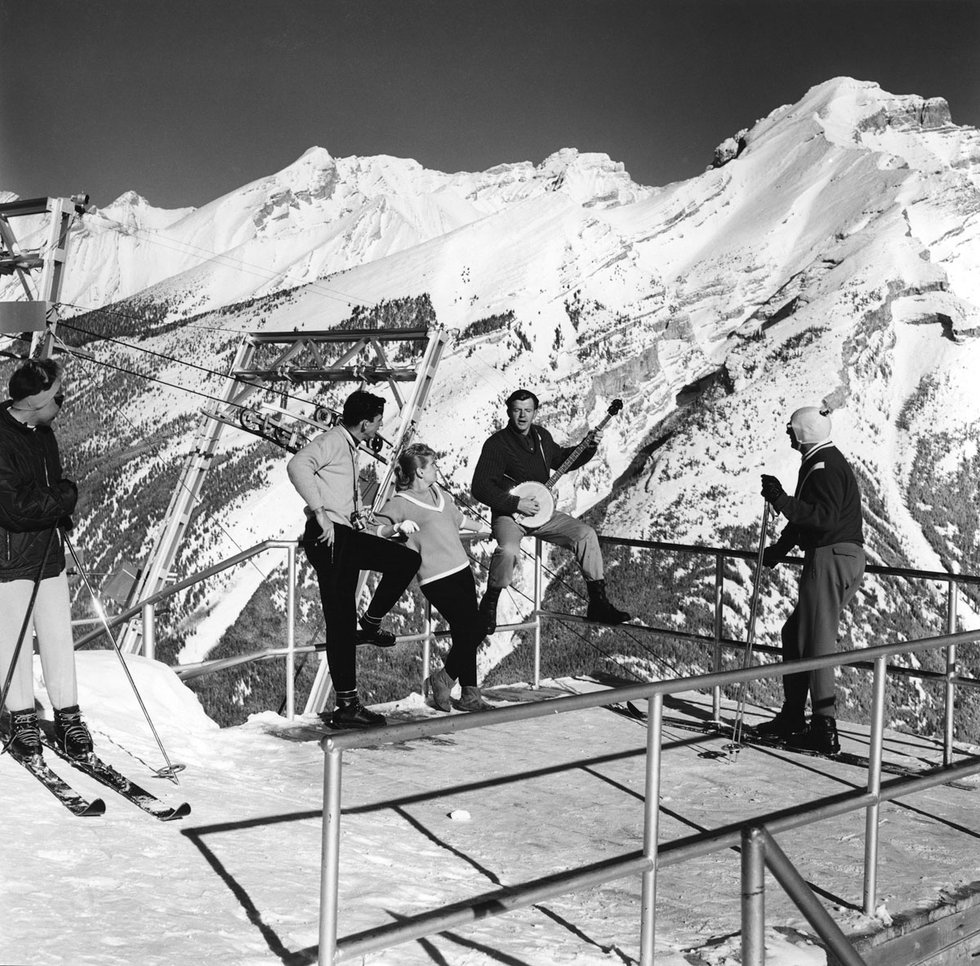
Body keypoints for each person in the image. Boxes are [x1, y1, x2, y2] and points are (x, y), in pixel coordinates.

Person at [287, 390, 420, 730]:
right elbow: (297, 464)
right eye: (376, 424)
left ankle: (349, 699)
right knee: (342, 617)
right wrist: (321, 514)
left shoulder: (346, 444)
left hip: (342, 536)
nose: (377, 430)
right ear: (365, 422)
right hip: (331, 538)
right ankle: (349, 700)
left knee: (345, 616)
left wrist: (350, 513)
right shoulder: (334, 440)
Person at [471, 388, 630, 635]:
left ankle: (598, 602)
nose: (522, 416)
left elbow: (563, 460)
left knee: (586, 535)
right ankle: (489, 605)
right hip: (509, 514)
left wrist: (588, 447)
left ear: (535, 412)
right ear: (508, 412)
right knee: (508, 550)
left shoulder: (542, 438)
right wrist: (515, 504)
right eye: (517, 410)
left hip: (542, 514)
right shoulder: (497, 445)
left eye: (527, 410)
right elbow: (480, 487)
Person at [754, 406, 866, 756]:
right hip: (840, 557)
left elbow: (824, 518)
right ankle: (793, 716)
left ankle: (823, 727)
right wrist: (779, 548)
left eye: (791, 429)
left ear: (803, 431)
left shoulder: (823, 466)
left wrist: (782, 501)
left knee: (816, 642)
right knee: (795, 634)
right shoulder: (822, 462)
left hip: (830, 556)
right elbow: (810, 517)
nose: (788, 434)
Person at [0, 358, 93, 761]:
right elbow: (14, 507)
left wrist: (59, 511)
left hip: (48, 553)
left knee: (58, 636)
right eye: (58, 395)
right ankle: (21, 718)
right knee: (13, 642)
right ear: (36, 399)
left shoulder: (42, 432)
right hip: (9, 560)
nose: (63, 401)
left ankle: (68, 715)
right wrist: (66, 497)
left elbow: (43, 490)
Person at [374, 443, 491, 712]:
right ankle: (443, 680)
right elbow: (372, 529)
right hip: (435, 577)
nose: (437, 468)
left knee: (466, 631)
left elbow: (458, 520)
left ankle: (471, 695)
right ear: (419, 472)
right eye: (433, 465)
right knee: (473, 629)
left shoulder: (437, 493)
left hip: (461, 569)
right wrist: (396, 528)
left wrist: (484, 528)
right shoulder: (400, 503)